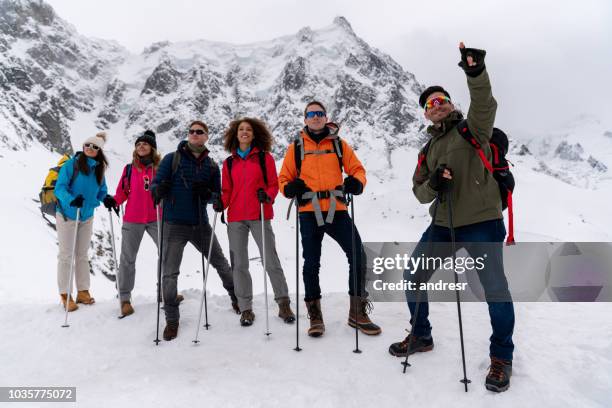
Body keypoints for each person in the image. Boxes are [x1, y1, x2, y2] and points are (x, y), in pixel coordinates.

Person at [387, 43, 515, 393]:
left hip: (482, 223)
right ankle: (422, 334)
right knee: (413, 276)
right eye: (429, 104)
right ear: (425, 115)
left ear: (450, 104)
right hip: (443, 225)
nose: (436, 105)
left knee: (495, 290)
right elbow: (419, 193)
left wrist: (475, 72)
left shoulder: (471, 130)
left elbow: (485, 104)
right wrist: (433, 182)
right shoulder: (426, 151)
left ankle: (501, 357)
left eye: (441, 99)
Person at [278, 101, 381, 337]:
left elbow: (358, 170)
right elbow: (283, 179)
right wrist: (289, 188)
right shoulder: (295, 148)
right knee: (311, 263)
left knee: (357, 255)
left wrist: (357, 182)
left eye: (320, 114)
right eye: (311, 114)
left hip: (337, 209)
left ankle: (357, 313)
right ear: (305, 119)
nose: (316, 117)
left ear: (326, 118)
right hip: (308, 212)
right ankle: (315, 316)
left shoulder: (339, 145)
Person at [151, 121, 237, 341]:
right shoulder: (172, 159)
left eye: (199, 132)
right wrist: (158, 190)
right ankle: (171, 318)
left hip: (200, 224)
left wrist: (207, 194)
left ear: (206, 136)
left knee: (220, 262)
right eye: (191, 131)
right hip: (173, 224)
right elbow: (155, 185)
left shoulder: (211, 166)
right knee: (169, 272)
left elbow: (218, 198)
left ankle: (236, 297)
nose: (195, 135)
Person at [217, 117, 295, 327]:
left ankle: (283, 303)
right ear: (235, 134)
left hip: (259, 214)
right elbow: (227, 190)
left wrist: (267, 196)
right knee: (239, 264)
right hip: (236, 218)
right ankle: (246, 308)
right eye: (241, 129)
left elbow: (273, 184)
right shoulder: (229, 162)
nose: (244, 132)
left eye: (248, 130)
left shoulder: (264, 158)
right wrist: (220, 203)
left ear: (254, 134)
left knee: (271, 260)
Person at [112, 130, 182, 317]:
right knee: (127, 259)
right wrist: (114, 201)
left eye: (145, 143)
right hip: (133, 219)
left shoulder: (160, 169)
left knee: (166, 253)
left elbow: (170, 190)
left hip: (157, 217)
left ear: (152, 148)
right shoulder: (129, 169)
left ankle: (165, 292)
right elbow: (122, 192)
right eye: (138, 144)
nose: (141, 146)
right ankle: (124, 298)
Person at [54, 131, 115, 311]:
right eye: (87, 145)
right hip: (67, 215)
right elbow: (60, 188)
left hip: (87, 215)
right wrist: (71, 199)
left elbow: (101, 190)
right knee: (66, 254)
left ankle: (83, 291)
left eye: (95, 147)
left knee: (82, 254)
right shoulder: (71, 165)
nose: (90, 148)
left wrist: (106, 198)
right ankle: (65, 294)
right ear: (83, 147)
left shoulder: (99, 168)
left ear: (99, 151)